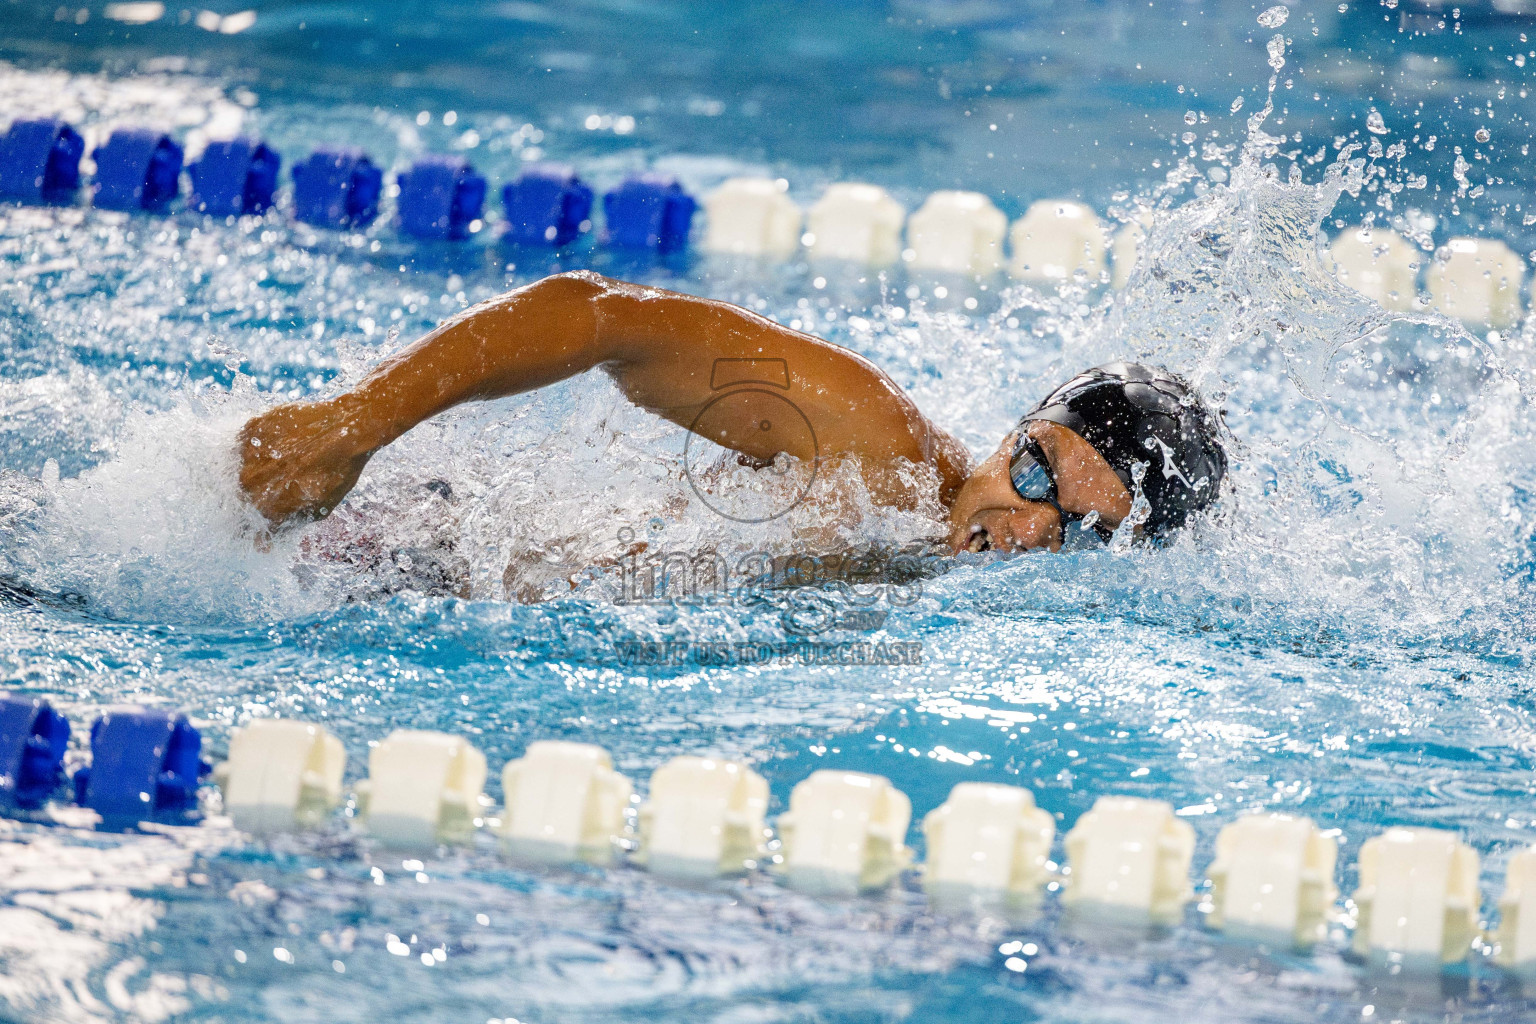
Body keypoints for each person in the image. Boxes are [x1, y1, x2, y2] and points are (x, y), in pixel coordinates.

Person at [236, 271, 1226, 557]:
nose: (1019, 531)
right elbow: (602, 316)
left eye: (1075, 533)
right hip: (377, 546)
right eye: (1039, 477)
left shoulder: (932, 553)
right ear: (1021, 428)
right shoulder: (875, 443)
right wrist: (354, 424)